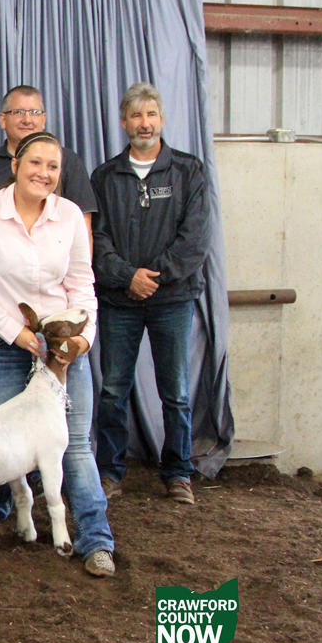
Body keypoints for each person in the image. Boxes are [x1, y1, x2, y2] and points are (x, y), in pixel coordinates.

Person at [0, 131, 116, 578]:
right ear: (15, 167)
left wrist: (83, 340)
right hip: (0, 343)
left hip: (61, 348)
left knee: (75, 443)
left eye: (53, 166)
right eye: (35, 163)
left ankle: (96, 539)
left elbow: (83, 285)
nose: (44, 173)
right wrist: (15, 333)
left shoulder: (69, 216)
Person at [91, 83, 211, 505]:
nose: (145, 123)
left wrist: (153, 278)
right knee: (113, 390)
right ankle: (109, 472)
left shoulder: (188, 171)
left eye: (152, 115)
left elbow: (195, 240)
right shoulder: (105, 177)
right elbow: (96, 239)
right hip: (119, 301)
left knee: (175, 392)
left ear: (161, 119)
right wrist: (128, 277)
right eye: (137, 115)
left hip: (172, 301)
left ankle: (178, 473)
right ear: (124, 122)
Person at [0, 85, 97, 230]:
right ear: (3, 120)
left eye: (34, 112)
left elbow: (83, 226)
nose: (27, 119)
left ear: (43, 119)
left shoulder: (68, 161)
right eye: (18, 112)